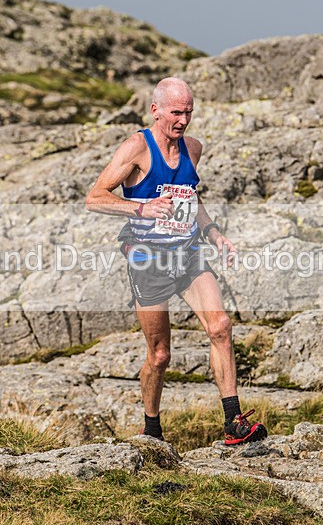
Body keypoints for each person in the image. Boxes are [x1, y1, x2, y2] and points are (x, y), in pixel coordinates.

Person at [85, 77, 267, 445]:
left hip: (187, 253)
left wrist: (214, 234)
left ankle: (233, 421)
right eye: (175, 112)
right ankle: (151, 427)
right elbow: (94, 197)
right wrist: (141, 208)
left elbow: (191, 198)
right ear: (155, 110)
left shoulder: (193, 149)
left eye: (188, 112)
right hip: (147, 258)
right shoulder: (138, 146)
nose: (183, 120)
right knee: (161, 354)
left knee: (220, 326)